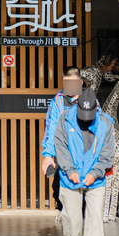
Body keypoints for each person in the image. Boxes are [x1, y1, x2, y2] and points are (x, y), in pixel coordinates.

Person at [55, 87, 115, 236]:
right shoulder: (65, 119)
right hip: (70, 177)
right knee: (73, 217)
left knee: (94, 215)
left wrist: (94, 173)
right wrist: (69, 169)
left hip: (94, 179)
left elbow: (107, 155)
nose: (86, 118)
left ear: (97, 107)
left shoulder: (106, 123)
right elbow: (60, 145)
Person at [41, 67, 82, 215]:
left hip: (85, 156)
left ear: (81, 82)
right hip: (64, 155)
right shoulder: (58, 102)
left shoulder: (90, 100)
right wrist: (47, 155)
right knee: (60, 191)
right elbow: (51, 128)